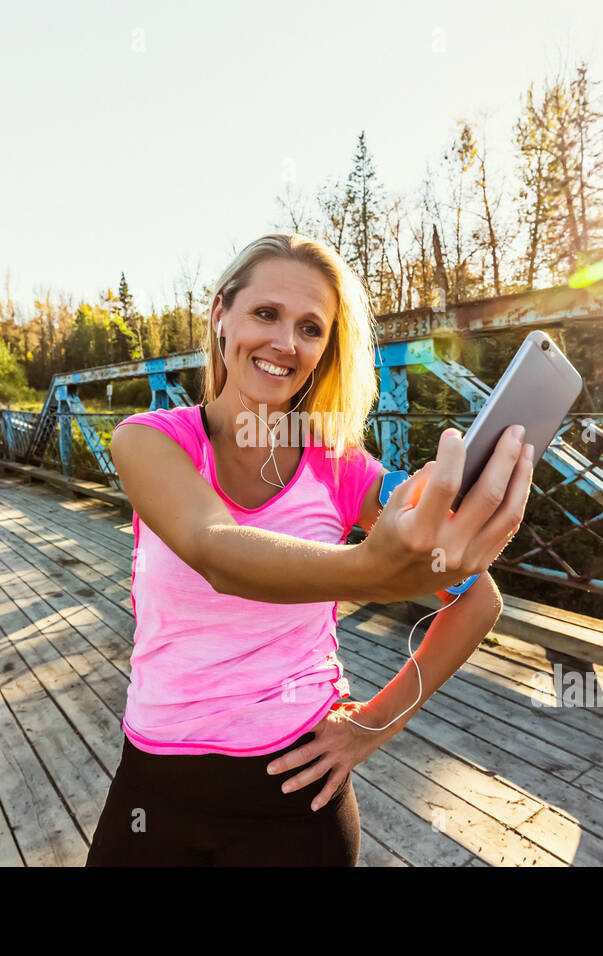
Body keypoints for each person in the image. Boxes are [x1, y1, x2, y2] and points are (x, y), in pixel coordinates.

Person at [84, 233, 535, 866]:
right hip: (155, 790)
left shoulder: (341, 469)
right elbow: (216, 550)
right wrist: (373, 569)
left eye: (310, 328)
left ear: (325, 350)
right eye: (266, 314)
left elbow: (478, 600)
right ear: (221, 315)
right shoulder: (150, 441)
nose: (285, 344)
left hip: (298, 798)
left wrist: (372, 725)